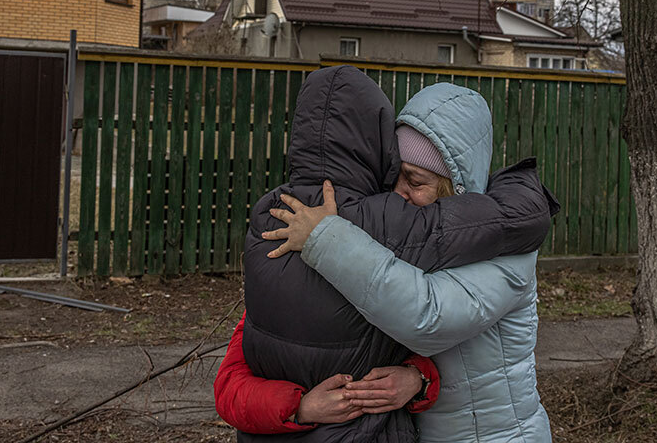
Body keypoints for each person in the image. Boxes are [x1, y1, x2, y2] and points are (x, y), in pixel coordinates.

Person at [216, 74, 558, 442]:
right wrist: (417, 377)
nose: (399, 194)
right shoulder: (399, 239)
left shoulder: (507, 251)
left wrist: (326, 237)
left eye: (415, 181)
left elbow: (427, 317)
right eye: (395, 177)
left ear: (456, 187)